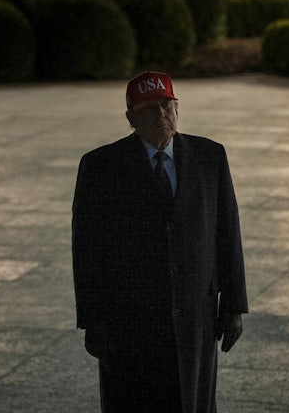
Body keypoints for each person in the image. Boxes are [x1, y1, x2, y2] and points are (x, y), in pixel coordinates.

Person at [72, 71, 248, 413]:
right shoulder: (101, 168)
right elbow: (87, 250)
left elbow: (227, 233)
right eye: (150, 108)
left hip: (195, 316)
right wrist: (92, 321)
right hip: (130, 320)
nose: (162, 114)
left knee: (192, 400)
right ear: (130, 118)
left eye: (168, 105)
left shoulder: (210, 157)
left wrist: (234, 306)